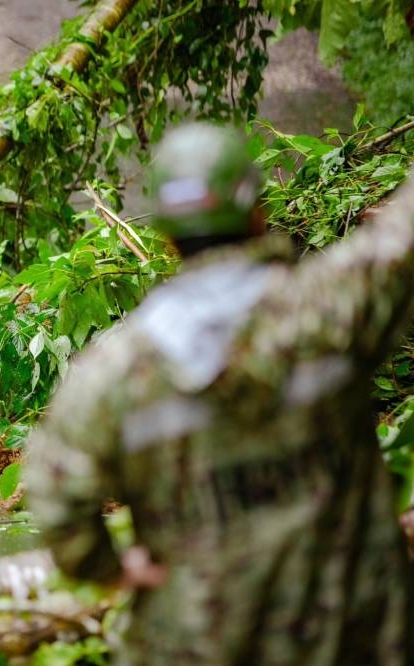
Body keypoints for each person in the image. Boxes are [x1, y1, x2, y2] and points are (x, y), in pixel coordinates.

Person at [26, 123, 413, 665]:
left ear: (165, 234)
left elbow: (53, 487)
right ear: (257, 210)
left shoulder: (116, 369)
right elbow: (401, 239)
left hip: (194, 644)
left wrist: (109, 569)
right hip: (355, 636)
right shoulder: (332, 307)